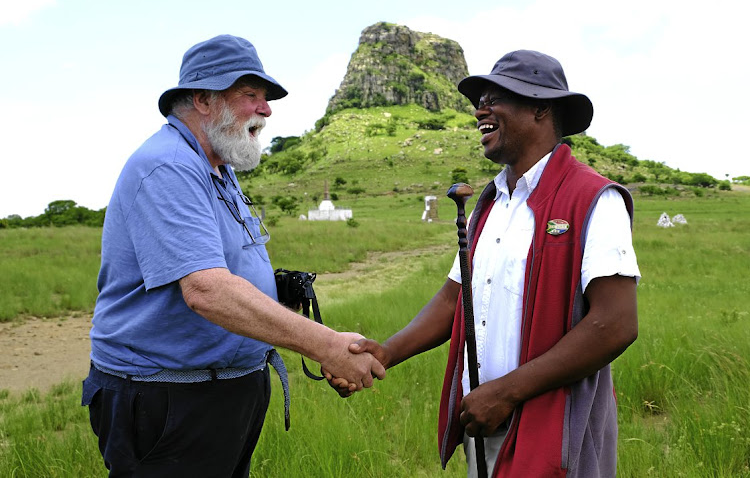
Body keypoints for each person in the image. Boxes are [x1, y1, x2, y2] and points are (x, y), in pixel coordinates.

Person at [82, 34, 385, 477]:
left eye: (266, 98)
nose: (266, 109)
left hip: (220, 389)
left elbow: (218, 265)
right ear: (204, 99)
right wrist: (328, 346)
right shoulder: (169, 165)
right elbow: (206, 290)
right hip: (168, 396)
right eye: (250, 95)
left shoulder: (217, 167)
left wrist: (274, 289)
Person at [329, 49, 640, 477]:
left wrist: (507, 392)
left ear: (540, 108)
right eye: (480, 101)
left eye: (496, 98)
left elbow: (616, 324)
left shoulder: (594, 199)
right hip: (485, 421)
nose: (480, 110)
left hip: (556, 429)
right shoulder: (491, 204)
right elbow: (453, 300)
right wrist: (385, 352)